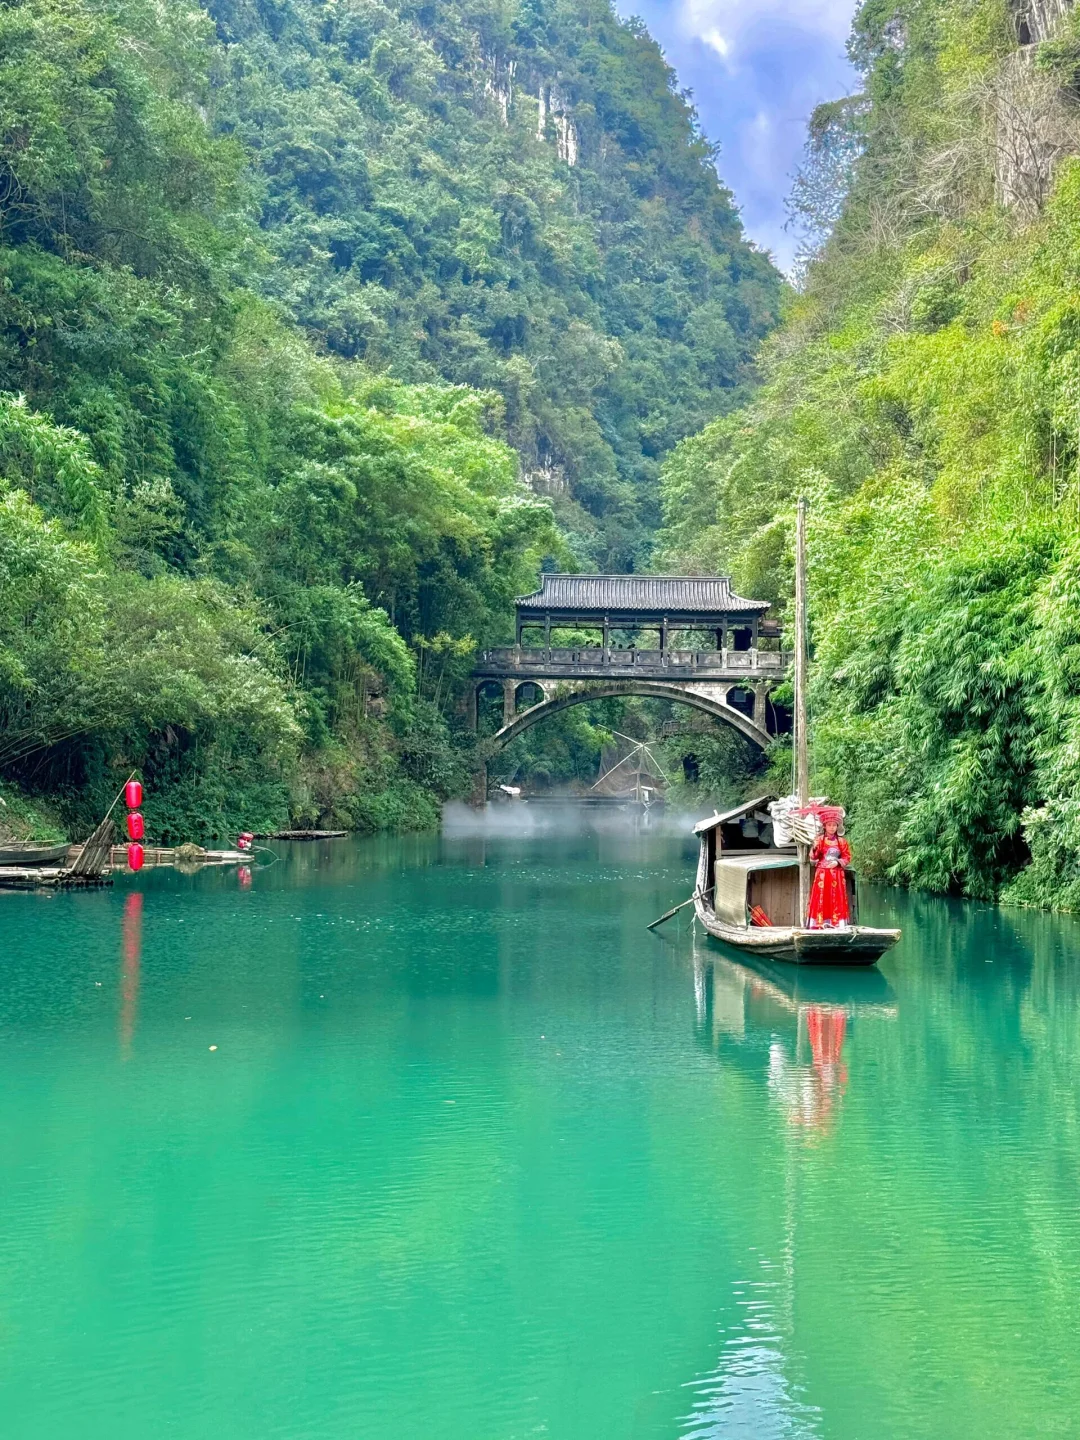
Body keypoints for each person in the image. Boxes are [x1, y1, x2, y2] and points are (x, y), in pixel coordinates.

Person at [806, 810, 851, 929]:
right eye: (829, 825)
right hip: (822, 874)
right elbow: (813, 857)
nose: (832, 828)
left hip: (836, 874)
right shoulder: (819, 840)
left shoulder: (842, 842)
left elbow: (847, 857)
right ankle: (818, 923)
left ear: (837, 826)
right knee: (822, 897)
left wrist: (837, 862)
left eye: (834, 825)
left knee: (836, 898)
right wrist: (815, 847)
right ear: (824, 826)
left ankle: (837, 923)